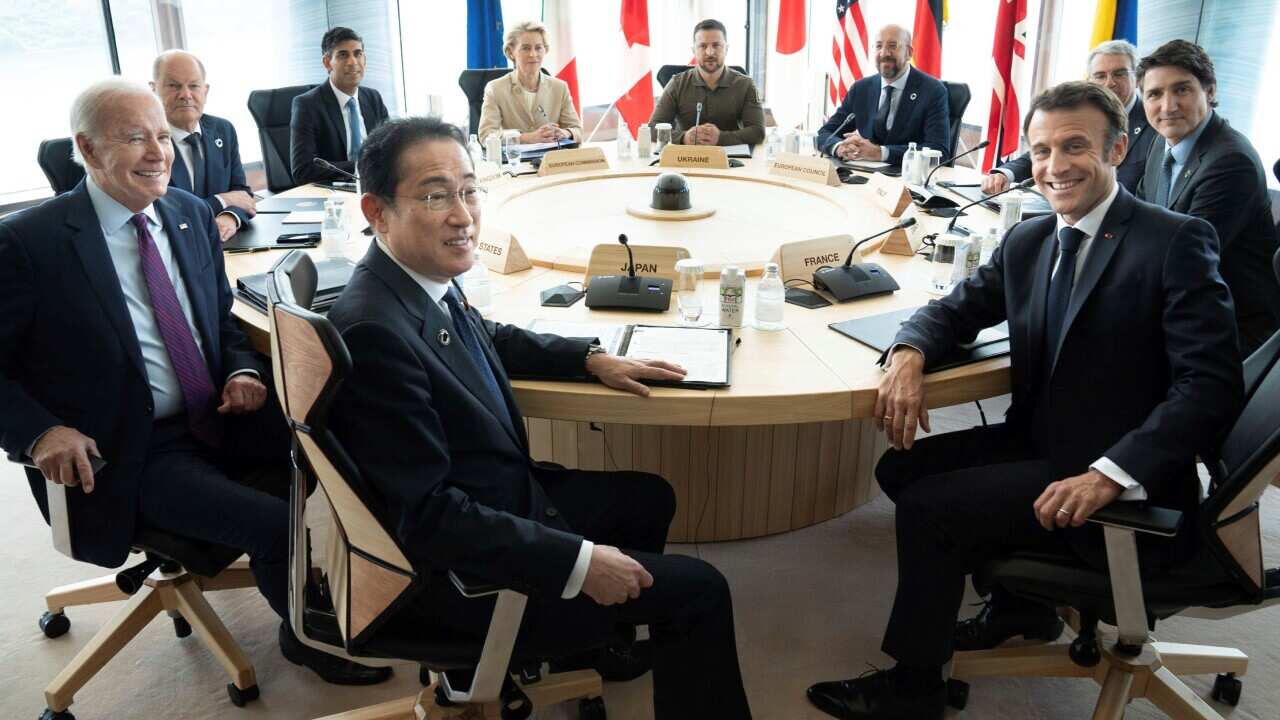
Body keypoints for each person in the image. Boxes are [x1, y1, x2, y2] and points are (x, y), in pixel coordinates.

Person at [806, 82, 1243, 719]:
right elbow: (953, 310)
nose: (1055, 165)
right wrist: (908, 352)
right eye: (1041, 151)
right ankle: (1023, 608)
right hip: (1043, 439)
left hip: (1121, 476)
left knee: (929, 511)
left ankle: (914, 692)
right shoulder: (1031, 239)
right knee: (900, 470)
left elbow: (1210, 388)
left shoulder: (1174, 241)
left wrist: (1109, 474)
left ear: (1118, 149)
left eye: (1075, 146)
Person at [325, 117, 753, 719]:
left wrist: (589, 358)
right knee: (701, 591)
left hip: (494, 499)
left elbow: (488, 335)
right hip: (458, 577)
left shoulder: (409, 280)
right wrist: (578, 564)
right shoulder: (374, 331)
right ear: (377, 211)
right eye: (435, 196)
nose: (463, 215)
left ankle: (594, 643)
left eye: (469, 190)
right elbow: (428, 518)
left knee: (648, 498)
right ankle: (568, 624)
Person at [0, 79, 388, 687]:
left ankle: (385, 584)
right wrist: (40, 432)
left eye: (162, 136)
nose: (159, 153)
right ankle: (307, 637)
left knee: (348, 443)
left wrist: (240, 368)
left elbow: (219, 319)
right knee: (274, 523)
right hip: (129, 449)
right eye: (136, 138)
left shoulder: (188, 212)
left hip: (216, 412)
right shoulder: (29, 243)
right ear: (88, 149)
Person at [1136, 39, 1280, 357]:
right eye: (1154, 94)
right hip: (1178, 306)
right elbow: (1137, 218)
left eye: (1182, 90)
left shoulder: (1231, 161)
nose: (1168, 106)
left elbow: (1181, 260)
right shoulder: (1162, 142)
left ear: (1210, 91)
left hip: (1228, 328)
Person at [983, 40, 1156, 195]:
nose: (1110, 83)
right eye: (1100, 76)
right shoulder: (1083, 114)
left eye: (1119, 74)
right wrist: (1005, 174)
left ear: (1137, 77)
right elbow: (1047, 149)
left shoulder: (1155, 123)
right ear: (1089, 80)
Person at [150, 50, 256, 242]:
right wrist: (222, 201)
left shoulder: (223, 130)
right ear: (153, 89)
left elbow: (242, 193)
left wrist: (230, 216)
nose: (185, 95)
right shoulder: (148, 143)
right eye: (174, 86)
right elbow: (161, 212)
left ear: (205, 91)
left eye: (194, 86)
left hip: (224, 243)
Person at [816, 24, 949, 165]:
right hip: (862, 172)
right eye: (879, 46)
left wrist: (881, 153)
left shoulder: (933, 91)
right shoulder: (861, 89)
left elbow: (939, 150)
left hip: (907, 174)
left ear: (909, 53)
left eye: (892, 46)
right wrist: (839, 147)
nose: (884, 53)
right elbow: (825, 133)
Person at [290, 26, 389, 185]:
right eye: (343, 55)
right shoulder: (307, 105)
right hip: (334, 191)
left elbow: (390, 151)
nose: (353, 62)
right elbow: (303, 170)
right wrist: (361, 166)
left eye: (358, 54)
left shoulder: (373, 98)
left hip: (375, 186)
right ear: (327, 62)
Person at [648, 18, 764, 147]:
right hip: (686, 156)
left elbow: (758, 132)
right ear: (694, 50)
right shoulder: (677, 84)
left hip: (730, 157)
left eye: (716, 45)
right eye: (703, 46)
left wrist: (721, 138)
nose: (710, 52)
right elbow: (652, 128)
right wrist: (683, 137)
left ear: (726, 49)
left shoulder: (746, 85)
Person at [476, 20, 582, 146]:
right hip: (514, 157)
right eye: (525, 48)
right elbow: (486, 135)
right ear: (511, 52)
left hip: (551, 156)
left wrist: (565, 133)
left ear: (545, 50)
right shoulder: (495, 88)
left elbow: (577, 130)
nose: (533, 54)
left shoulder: (560, 87)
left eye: (538, 48)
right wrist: (525, 138)